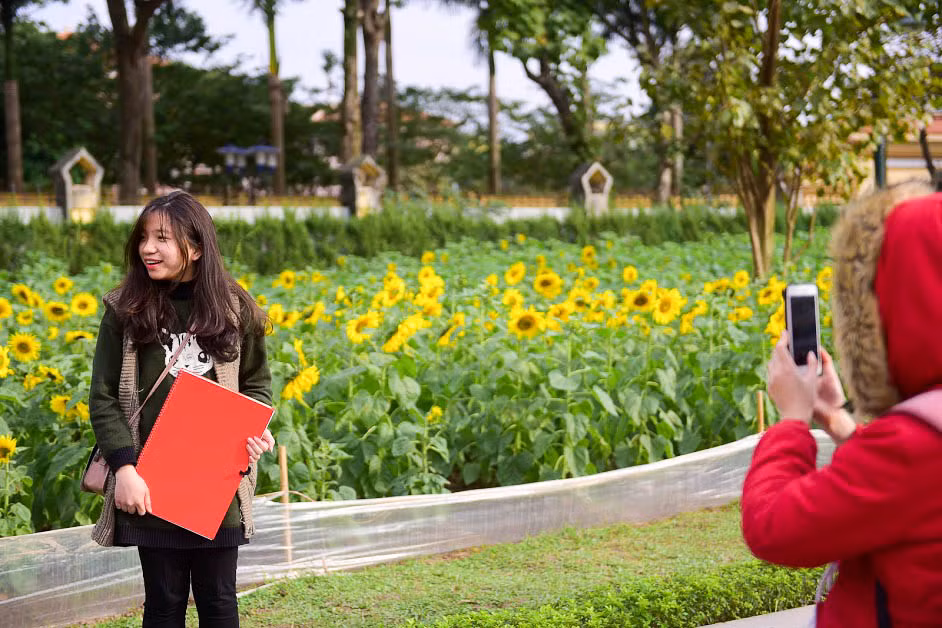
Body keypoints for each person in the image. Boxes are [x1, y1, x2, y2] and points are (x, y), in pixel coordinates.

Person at [741, 181, 942, 626]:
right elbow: (904, 496)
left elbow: (774, 527)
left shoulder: (912, 449)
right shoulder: (916, 448)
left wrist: (791, 421)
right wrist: (839, 419)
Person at [89, 190, 276, 627]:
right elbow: (103, 398)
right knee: (163, 605)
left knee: (218, 603)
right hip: (149, 485)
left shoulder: (234, 307)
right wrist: (126, 469)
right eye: (143, 238)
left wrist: (255, 429)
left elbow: (257, 386)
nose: (147, 249)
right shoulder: (125, 309)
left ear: (194, 247)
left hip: (217, 485)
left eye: (162, 238)